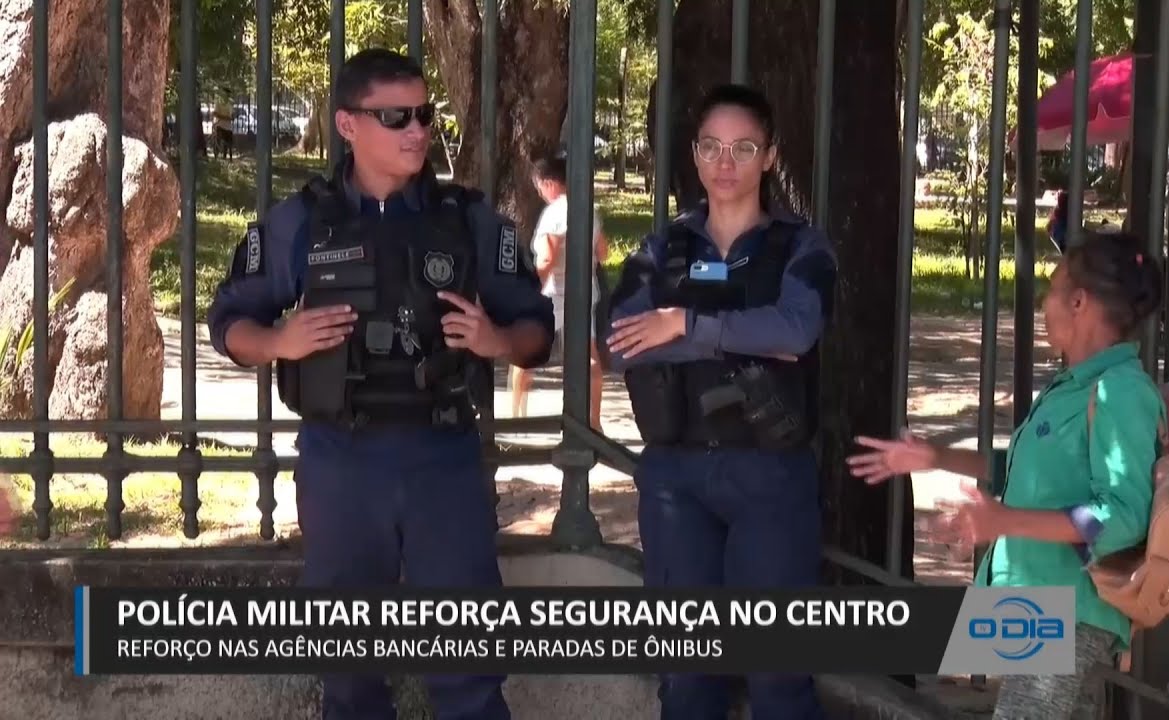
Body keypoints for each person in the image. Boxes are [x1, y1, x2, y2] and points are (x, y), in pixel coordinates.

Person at [206, 48, 554, 720]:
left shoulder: (468, 220)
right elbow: (229, 321)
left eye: (424, 114)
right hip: (342, 463)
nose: (417, 130)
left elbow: (536, 328)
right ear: (346, 124)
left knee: (469, 670)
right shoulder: (300, 223)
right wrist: (280, 341)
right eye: (395, 116)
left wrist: (498, 342)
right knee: (349, 671)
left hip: (445, 460)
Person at [848, 230, 1165, 720]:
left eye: (1054, 287)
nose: (1045, 302)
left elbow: (1122, 516)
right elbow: (1020, 472)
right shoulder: (1074, 388)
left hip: (1068, 609)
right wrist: (933, 456)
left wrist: (1004, 522)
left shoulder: (1119, 393)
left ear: (1079, 302)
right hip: (1041, 601)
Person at [606, 83, 837, 720]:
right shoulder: (663, 249)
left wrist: (684, 323)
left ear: (769, 156)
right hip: (675, 475)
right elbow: (617, 345)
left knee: (777, 674)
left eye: (742, 147)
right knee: (685, 674)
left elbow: (796, 331)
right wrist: (742, 337)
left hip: (769, 473)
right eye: (711, 146)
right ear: (695, 153)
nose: (725, 162)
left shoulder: (801, 248)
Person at [508, 153, 609, 429]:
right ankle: (594, 421)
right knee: (589, 358)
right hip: (585, 290)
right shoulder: (588, 209)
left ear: (549, 183)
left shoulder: (554, 213)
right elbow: (604, 252)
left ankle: (516, 416)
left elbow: (547, 259)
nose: (540, 192)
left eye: (539, 186)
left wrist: (533, 288)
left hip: (552, 292)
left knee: (525, 352)